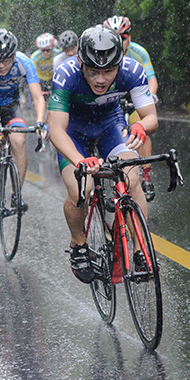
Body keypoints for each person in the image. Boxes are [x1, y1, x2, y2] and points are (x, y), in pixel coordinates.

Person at [48, 25, 157, 283]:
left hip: (110, 125)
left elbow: (151, 116)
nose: (101, 79)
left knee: (131, 178)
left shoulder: (132, 70)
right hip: (73, 131)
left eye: (108, 71)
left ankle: (140, 249)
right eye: (93, 71)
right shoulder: (66, 74)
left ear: (119, 64)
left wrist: (141, 125)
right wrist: (80, 160)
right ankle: (79, 244)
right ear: (80, 62)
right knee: (80, 190)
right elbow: (55, 130)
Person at [0, 29, 48, 219]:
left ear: (14, 55)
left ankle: (16, 195)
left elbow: (37, 97)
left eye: (6, 60)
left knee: (18, 142)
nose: (1, 65)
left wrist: (39, 122)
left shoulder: (24, 62)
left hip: (11, 108)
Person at [104, 15, 158, 200]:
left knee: (140, 124)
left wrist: (151, 96)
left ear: (130, 37)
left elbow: (151, 78)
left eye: (123, 37)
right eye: (115, 37)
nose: (120, 42)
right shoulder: (103, 53)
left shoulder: (139, 52)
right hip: (111, 95)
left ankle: (146, 176)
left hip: (134, 93)